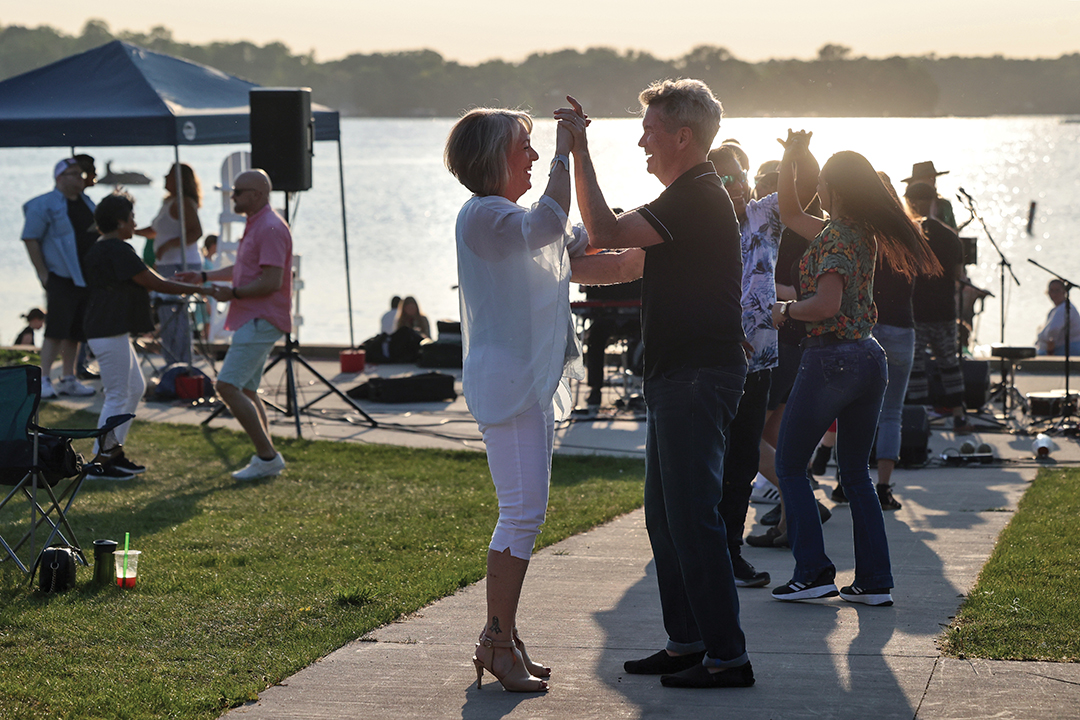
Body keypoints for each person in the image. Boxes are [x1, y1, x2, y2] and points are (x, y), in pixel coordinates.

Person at [445, 105, 641, 693]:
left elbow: (586, 260)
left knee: (524, 512)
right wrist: (564, 149)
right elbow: (551, 226)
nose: (531, 157)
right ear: (492, 159)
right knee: (522, 513)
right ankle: (496, 641)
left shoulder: (515, 221)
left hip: (521, 381)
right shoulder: (486, 217)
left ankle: (502, 638)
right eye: (523, 147)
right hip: (509, 383)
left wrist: (655, 249)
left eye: (535, 148)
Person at [565, 81, 754, 689]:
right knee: (666, 516)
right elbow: (619, 265)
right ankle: (687, 641)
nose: (641, 139)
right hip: (678, 375)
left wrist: (578, 153)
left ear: (683, 136)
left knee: (693, 517)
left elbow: (601, 229)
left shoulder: (697, 194)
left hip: (698, 377)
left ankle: (728, 657)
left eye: (649, 129)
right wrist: (531, 261)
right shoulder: (681, 200)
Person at [770, 133, 939, 607]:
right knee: (856, 474)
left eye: (821, 181)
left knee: (789, 464)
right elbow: (788, 212)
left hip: (832, 357)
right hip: (868, 356)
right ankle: (873, 582)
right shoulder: (849, 229)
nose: (816, 188)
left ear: (836, 189)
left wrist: (785, 309)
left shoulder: (838, 237)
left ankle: (813, 572)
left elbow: (826, 304)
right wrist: (792, 159)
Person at [707, 139, 819, 590]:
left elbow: (807, 188)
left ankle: (731, 553)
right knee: (706, 462)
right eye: (724, 179)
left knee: (741, 461)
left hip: (760, 360)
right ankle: (702, 550)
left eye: (740, 177)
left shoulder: (764, 213)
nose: (734, 187)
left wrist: (796, 154)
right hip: (710, 360)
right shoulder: (698, 220)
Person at [81, 192, 210, 479]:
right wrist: (200, 289)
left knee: (135, 388)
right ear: (119, 221)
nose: (135, 224)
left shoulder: (100, 247)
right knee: (117, 395)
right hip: (107, 332)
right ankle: (101, 462)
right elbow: (156, 283)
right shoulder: (117, 250)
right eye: (132, 219)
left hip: (109, 330)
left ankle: (113, 452)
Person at [176, 170, 292, 481]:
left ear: (257, 194)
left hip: (261, 318)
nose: (233, 197)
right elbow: (244, 270)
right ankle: (265, 454)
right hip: (254, 316)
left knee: (226, 386)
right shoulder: (257, 223)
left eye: (238, 192)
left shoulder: (269, 228)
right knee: (247, 389)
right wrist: (203, 277)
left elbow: (271, 281)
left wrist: (234, 293)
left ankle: (267, 456)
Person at [20, 158, 98, 399]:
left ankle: (68, 378)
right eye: (73, 174)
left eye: (80, 174)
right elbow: (30, 237)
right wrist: (43, 274)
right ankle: (43, 379)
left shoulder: (87, 202)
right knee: (55, 329)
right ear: (59, 178)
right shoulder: (45, 204)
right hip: (60, 276)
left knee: (75, 331)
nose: (79, 178)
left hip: (84, 277)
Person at [903, 182, 972, 433]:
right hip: (944, 310)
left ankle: (920, 418)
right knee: (949, 363)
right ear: (934, 201)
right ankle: (959, 416)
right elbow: (956, 275)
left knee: (917, 365)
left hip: (917, 311)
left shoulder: (910, 235)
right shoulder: (950, 236)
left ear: (913, 202)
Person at [136, 163, 204, 366]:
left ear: (179, 180)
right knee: (167, 314)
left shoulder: (185, 203)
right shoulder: (169, 202)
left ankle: (180, 362)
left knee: (175, 314)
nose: (165, 178)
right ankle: (172, 361)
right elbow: (156, 230)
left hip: (180, 262)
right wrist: (130, 231)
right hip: (167, 263)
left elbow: (196, 232)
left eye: (169, 176)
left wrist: (168, 245)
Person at [902, 161, 956, 229]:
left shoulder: (944, 205)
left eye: (933, 178)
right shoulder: (904, 206)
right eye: (928, 178)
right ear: (916, 182)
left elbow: (954, 232)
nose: (932, 181)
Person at [1036, 279, 1080, 356]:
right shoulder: (1055, 310)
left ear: (1064, 292)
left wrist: (1049, 353)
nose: (1054, 294)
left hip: (1066, 351)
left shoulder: (1065, 308)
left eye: (1057, 291)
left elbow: (1052, 332)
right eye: (1051, 291)